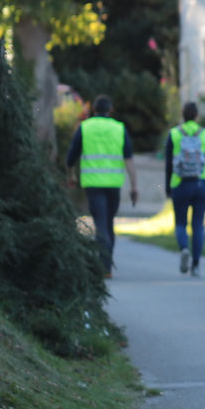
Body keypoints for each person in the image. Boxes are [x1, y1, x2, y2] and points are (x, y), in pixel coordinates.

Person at [65, 94, 136, 275]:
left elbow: (71, 156)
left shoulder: (85, 128)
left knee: (101, 224)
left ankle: (104, 266)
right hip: (113, 184)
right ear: (110, 110)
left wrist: (70, 175)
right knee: (109, 223)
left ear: (93, 110)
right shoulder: (119, 128)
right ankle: (107, 265)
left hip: (93, 184)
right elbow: (129, 160)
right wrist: (134, 186)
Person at [164, 101, 205, 276]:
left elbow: (168, 163)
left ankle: (184, 249)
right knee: (198, 224)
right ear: (197, 116)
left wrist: (167, 186)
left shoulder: (174, 134)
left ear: (183, 115)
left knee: (181, 223)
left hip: (180, 184)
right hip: (202, 183)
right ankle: (196, 265)